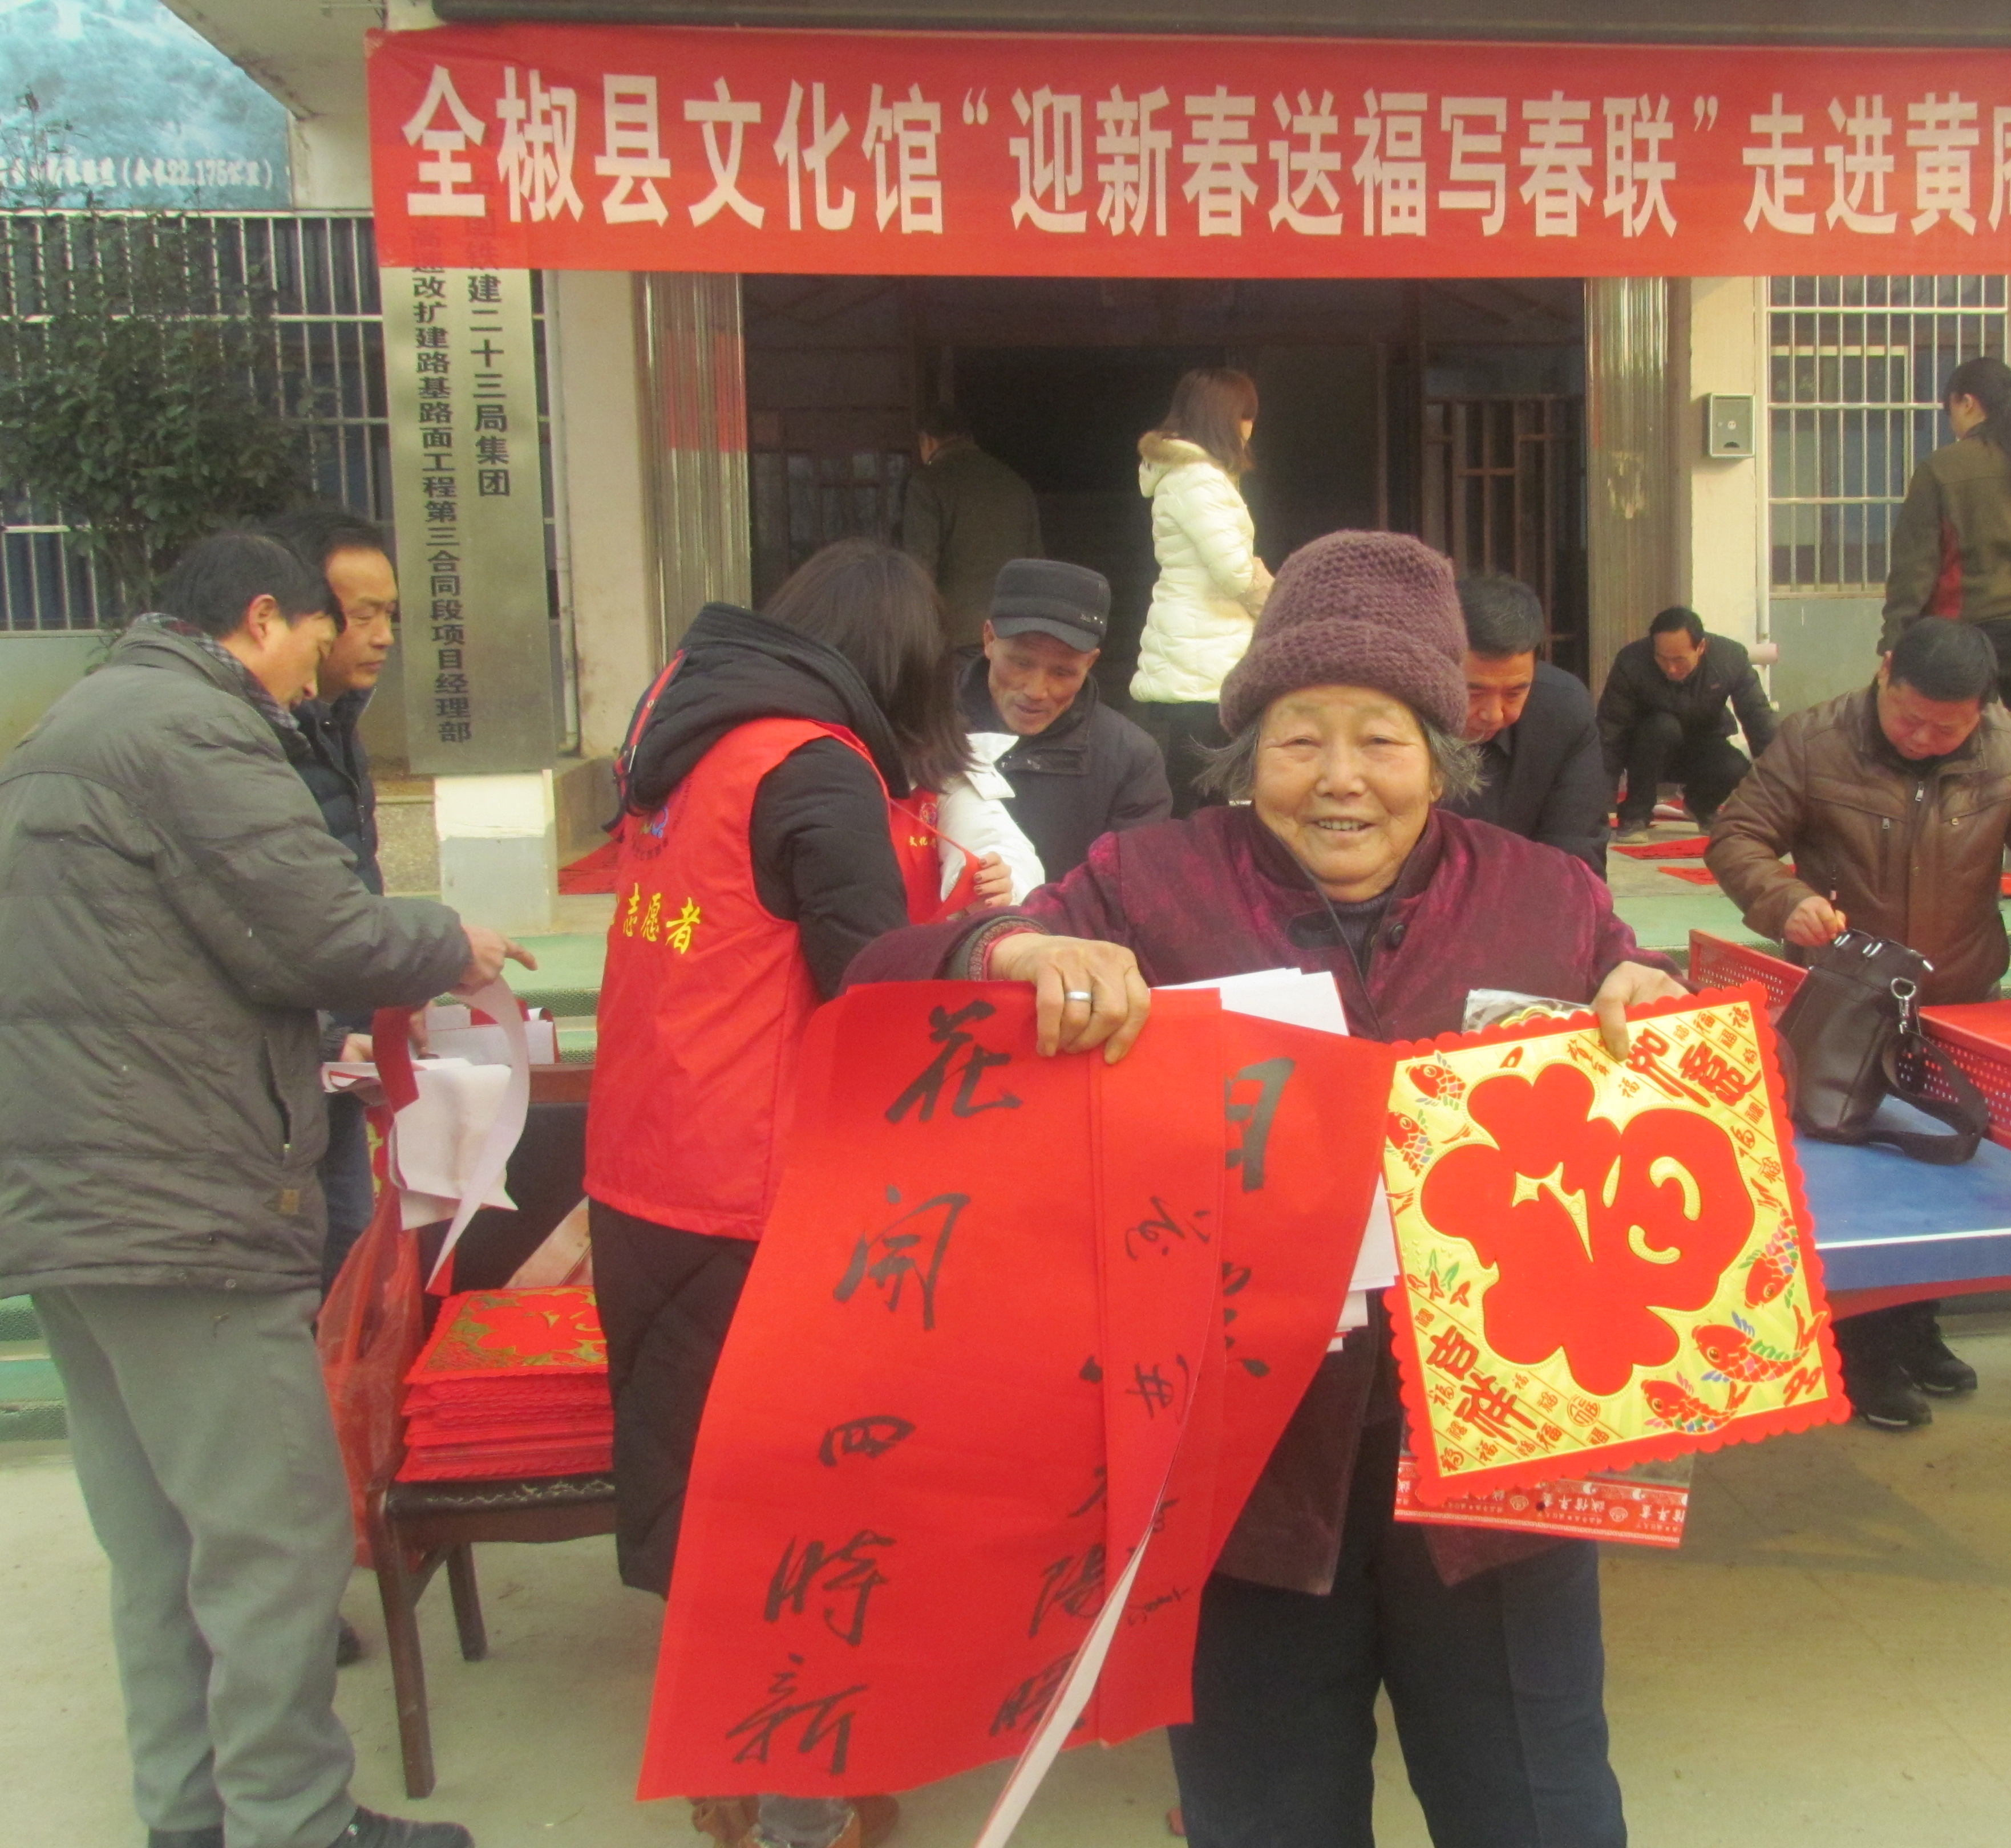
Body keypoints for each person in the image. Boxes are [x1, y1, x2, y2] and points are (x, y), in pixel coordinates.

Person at [852, 531, 1687, 1848]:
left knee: (1541, 1807)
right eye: (1300, 739)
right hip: (1236, 1478)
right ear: (1248, 752)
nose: (1340, 778)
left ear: (1443, 756)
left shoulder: (1549, 900)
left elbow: (1641, 1027)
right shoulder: (1146, 886)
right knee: (1264, 1816)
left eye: (1381, 739)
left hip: (1497, 1477)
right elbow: (892, 994)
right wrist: (1006, 948)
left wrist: (1644, 991)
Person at [0, 530, 531, 1848]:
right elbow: (321, 929)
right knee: (276, 1531)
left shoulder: (70, 729)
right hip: (179, 1201)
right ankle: (292, 1821)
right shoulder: (195, 729)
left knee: (162, 1543)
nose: (317, 675)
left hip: (66, 1196)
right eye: (317, 637)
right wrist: (449, 940)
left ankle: (192, 1812)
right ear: (259, 618)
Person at [586, 538, 976, 1848]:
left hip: (646, 1176)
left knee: (702, 1494)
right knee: (801, 1517)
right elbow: (876, 982)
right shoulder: (816, 763)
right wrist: (988, 947)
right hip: (762, 1200)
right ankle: (806, 1808)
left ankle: (728, 1769)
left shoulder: (685, 741)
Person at [1707, 617, 2011, 1432]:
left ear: (1982, 711)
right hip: (1846, 1003)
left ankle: (1920, 1329)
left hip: (1956, 997)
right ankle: (1862, 1349)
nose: (1924, 738)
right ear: (1885, 673)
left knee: (1944, 1177)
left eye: (1948, 729)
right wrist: (1785, 899)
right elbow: (1738, 836)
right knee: (1860, 1183)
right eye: (1910, 718)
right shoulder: (1815, 739)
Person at [260, 508, 400, 1294]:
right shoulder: (255, 741)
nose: (383, 636)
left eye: (391, 614)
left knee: (347, 1250)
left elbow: (349, 883)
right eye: (363, 615)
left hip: (336, 1054)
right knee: (317, 1261)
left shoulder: (337, 721)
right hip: (289, 1062)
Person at [1880, 354, 2011, 802]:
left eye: (1951, 409)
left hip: (1966, 636)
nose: (1953, 420)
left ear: (1968, 402)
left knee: (1956, 747)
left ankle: (1955, 841)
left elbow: (1915, 568)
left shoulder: (1943, 468)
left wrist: (1895, 639)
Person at [960, 556, 1171, 883]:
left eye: (1062, 672)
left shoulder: (1131, 760)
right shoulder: (920, 730)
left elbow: (1131, 891)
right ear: (989, 640)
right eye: (1021, 663)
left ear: (1090, 663)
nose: (1036, 691)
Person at [1128, 367, 1273, 817]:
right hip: (1204, 651)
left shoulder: (1188, 474)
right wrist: (1280, 602)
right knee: (1201, 788)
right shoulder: (1199, 479)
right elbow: (1235, 573)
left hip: (1196, 644)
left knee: (1198, 784)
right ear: (1225, 417)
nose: (1250, 428)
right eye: (1246, 415)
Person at [1446, 572, 1613, 869]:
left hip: (1524, 887)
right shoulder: (1396, 711)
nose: (1494, 715)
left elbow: (1576, 849)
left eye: (1514, 693)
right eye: (1474, 692)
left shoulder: (1561, 709)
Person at [1595, 606, 1775, 833]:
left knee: (1736, 766)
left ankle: (1701, 806)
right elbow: (1610, 732)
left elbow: (1759, 720)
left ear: (1701, 647)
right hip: (1647, 752)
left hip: (1703, 746)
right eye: (1662, 658)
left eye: (1679, 660)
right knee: (1663, 727)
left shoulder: (1730, 659)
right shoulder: (1632, 662)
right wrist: (1599, 806)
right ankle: (1636, 815)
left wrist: (1780, 787)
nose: (1671, 668)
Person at [898, 401, 1043, 654]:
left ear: (927, 440)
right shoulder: (1015, 483)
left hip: (956, 636)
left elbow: (921, 569)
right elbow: (1037, 564)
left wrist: (913, 636)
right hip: (1012, 634)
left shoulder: (928, 484)